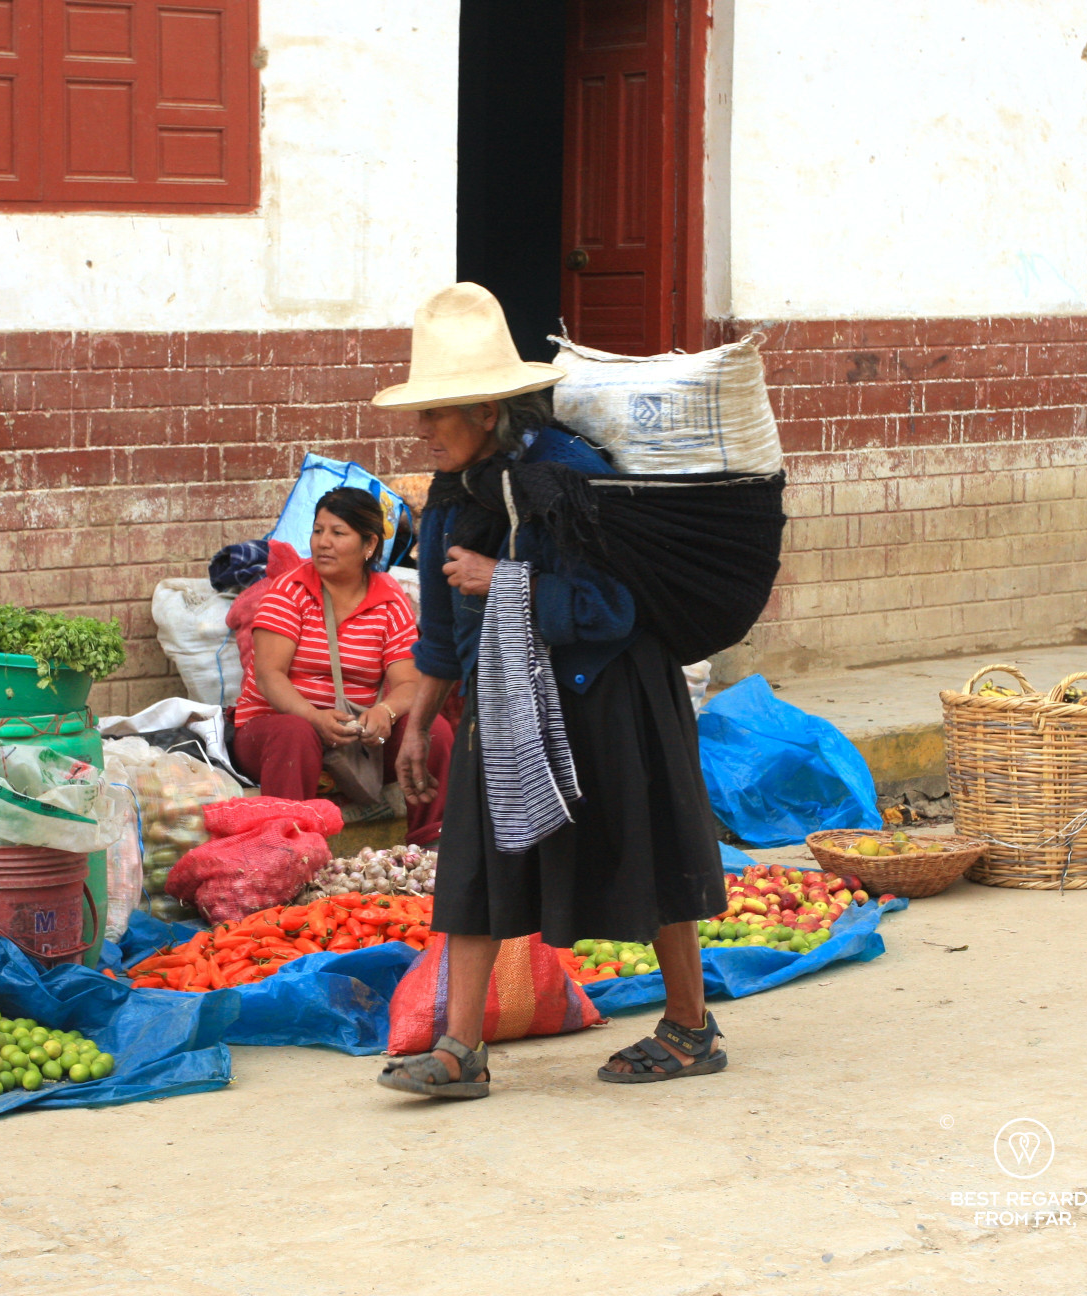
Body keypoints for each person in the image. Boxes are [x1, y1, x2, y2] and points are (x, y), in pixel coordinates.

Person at [376, 283, 732, 1099]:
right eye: (421, 413)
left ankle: (689, 1025)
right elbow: (438, 631)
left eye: (437, 414)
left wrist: (505, 579)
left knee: (644, 853)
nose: (422, 430)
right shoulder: (446, 505)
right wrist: (417, 724)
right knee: (470, 861)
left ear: (488, 410)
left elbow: (614, 607)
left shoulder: (568, 477)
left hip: (607, 691)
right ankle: (460, 1049)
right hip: (500, 700)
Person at [231, 486, 454, 845]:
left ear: (369, 545)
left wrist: (386, 711)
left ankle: (430, 847)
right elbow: (269, 676)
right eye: (318, 531)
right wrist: (313, 716)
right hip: (274, 733)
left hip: (353, 741)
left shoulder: (390, 601)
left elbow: (409, 685)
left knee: (434, 729)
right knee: (296, 733)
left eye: (338, 533)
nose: (323, 543)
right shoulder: (289, 592)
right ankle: (288, 854)